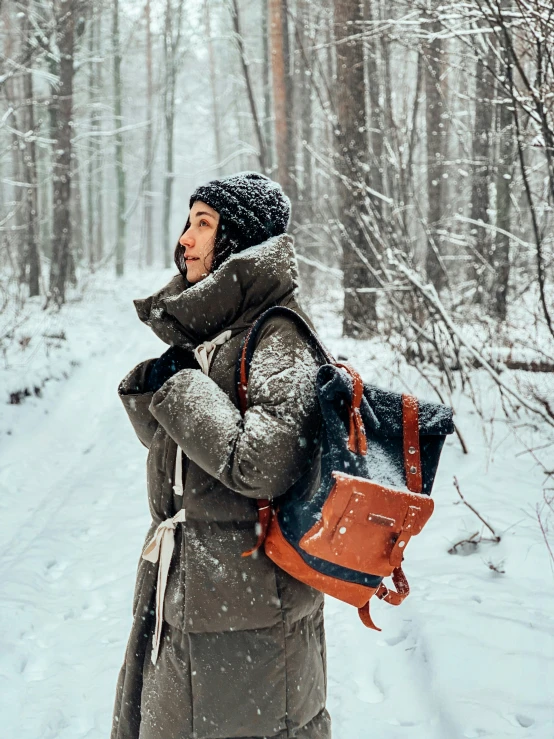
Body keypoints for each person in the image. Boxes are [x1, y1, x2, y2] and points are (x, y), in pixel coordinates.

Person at [111, 172, 331, 739]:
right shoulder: (219, 337)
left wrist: (182, 390)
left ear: (239, 240)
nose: (185, 238)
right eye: (188, 223)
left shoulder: (279, 336)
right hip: (198, 599)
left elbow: (264, 462)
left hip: (252, 623)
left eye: (202, 224)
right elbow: (196, 469)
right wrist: (159, 391)